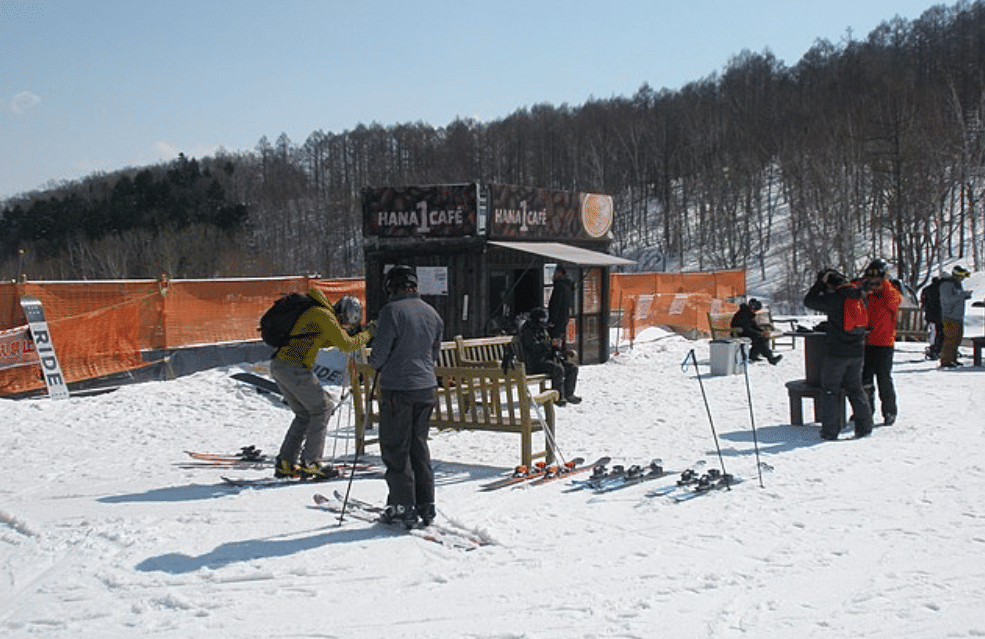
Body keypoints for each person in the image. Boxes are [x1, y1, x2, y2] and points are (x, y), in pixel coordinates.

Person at [367, 265, 444, 528]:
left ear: (392, 287)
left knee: (396, 448)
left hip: (398, 390)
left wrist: (373, 360)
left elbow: (379, 356)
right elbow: (434, 353)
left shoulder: (391, 312)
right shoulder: (432, 313)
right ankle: (426, 503)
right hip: (426, 387)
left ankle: (402, 505)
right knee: (418, 446)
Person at [271, 290, 374, 480]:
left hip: (282, 366)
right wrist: (368, 333)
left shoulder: (319, 313)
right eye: (348, 320)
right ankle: (312, 461)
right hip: (294, 368)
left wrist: (352, 334)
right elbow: (347, 345)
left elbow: (326, 340)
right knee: (322, 408)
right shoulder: (323, 315)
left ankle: (286, 462)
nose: (347, 325)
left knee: (304, 415)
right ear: (342, 313)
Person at [804, 269, 874, 440]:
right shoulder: (859, 297)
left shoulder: (834, 299)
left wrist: (819, 283)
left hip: (836, 353)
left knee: (830, 390)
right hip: (857, 351)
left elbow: (809, 301)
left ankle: (830, 430)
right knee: (855, 389)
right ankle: (865, 427)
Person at [858, 259, 902, 425]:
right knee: (865, 380)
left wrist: (883, 281)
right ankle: (866, 411)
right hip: (867, 342)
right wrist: (865, 283)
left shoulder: (891, 292)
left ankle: (890, 411)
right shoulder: (868, 294)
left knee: (884, 379)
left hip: (884, 343)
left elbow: (893, 299)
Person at [520, 307, 580, 406]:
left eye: (545, 319)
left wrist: (557, 348)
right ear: (536, 319)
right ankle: (558, 397)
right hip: (535, 362)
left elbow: (548, 345)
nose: (544, 321)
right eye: (542, 319)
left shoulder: (542, 329)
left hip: (547, 359)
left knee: (572, 367)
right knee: (558, 369)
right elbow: (533, 347)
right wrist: (549, 345)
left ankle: (569, 394)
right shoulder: (528, 330)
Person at [938, 265, 973, 368]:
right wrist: (963, 295)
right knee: (950, 339)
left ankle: (953, 358)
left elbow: (957, 297)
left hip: (958, 316)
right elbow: (948, 299)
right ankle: (946, 360)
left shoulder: (957, 284)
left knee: (957, 339)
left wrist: (965, 295)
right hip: (950, 317)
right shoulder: (947, 285)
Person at [729, 298, 782, 365]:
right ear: (752, 307)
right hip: (738, 332)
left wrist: (762, 331)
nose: (755, 312)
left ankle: (753, 356)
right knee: (759, 338)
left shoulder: (749, 313)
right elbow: (747, 328)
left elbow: (754, 326)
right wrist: (759, 333)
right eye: (755, 310)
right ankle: (770, 358)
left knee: (762, 337)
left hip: (745, 331)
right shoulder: (743, 314)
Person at [548, 265, 574, 350]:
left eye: (555, 273)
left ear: (560, 273)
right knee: (560, 339)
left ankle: (556, 354)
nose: (553, 276)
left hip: (558, 321)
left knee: (555, 341)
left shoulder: (560, 287)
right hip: (563, 319)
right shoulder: (567, 286)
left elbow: (556, 304)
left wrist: (552, 321)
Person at [920, 276, 943, 360]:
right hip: (939, 314)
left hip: (930, 314)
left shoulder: (926, 289)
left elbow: (923, 301)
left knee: (933, 331)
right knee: (939, 332)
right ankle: (936, 349)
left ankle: (932, 347)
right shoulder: (940, 290)